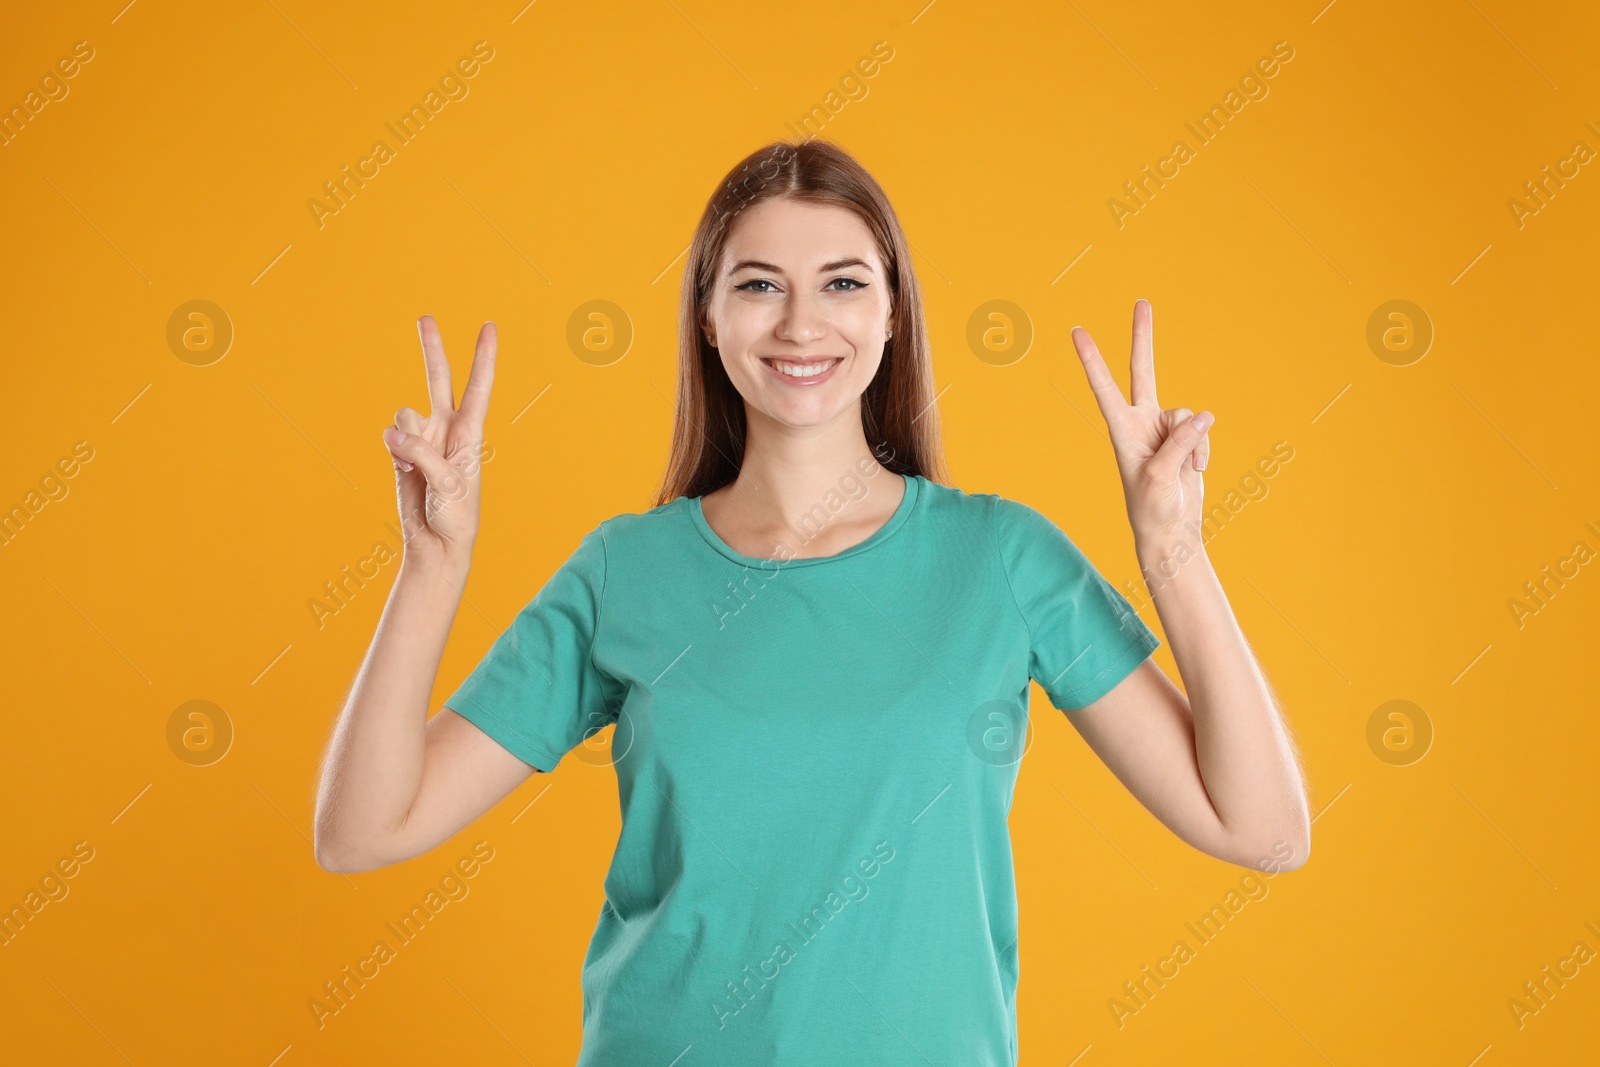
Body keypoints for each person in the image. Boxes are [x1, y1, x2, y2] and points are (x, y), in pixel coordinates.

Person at [313, 138, 1311, 1065]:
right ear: (707, 316)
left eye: (842, 282)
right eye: (757, 285)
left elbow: (1262, 829)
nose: (799, 323)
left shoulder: (1000, 556)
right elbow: (363, 829)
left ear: (891, 314)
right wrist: (430, 567)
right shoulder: (626, 569)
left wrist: (1173, 549)